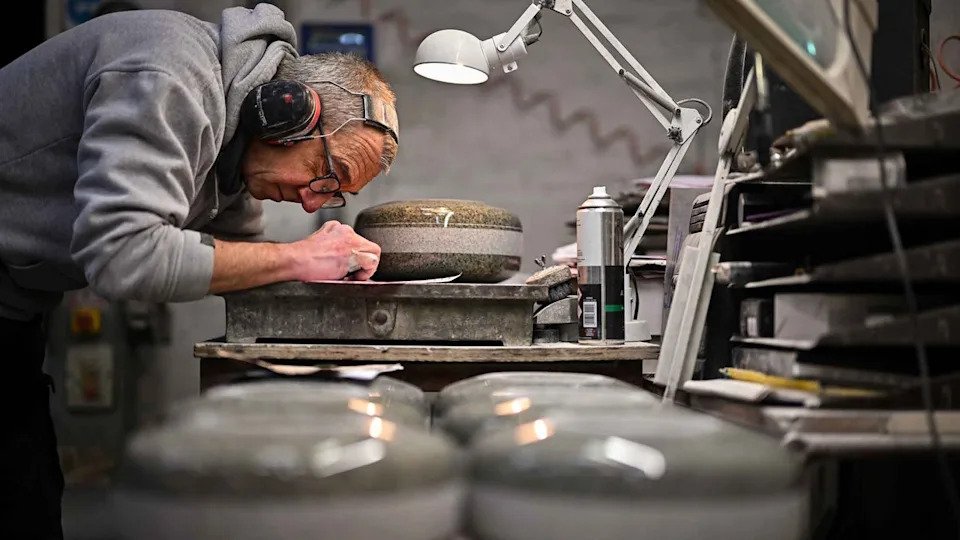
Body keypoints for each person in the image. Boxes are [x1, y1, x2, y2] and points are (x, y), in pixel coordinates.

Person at [0, 4, 398, 537]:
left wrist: (329, 279)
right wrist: (299, 256)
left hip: (16, 310)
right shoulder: (170, 74)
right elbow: (123, 256)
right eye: (327, 174)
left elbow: (247, 259)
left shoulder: (235, 150)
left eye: (333, 194)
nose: (311, 203)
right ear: (290, 109)